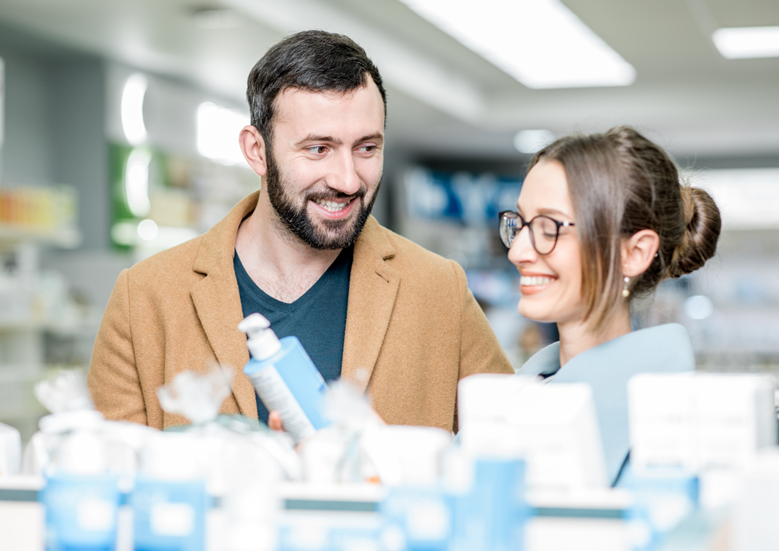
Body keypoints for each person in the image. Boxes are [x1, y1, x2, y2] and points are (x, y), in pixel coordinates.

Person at [87, 30, 512, 432]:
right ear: (258, 151)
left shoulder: (439, 290)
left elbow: (522, 446)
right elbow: (105, 480)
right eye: (318, 149)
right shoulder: (145, 297)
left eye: (367, 148)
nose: (347, 180)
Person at [499, 126, 721, 485]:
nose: (518, 251)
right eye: (521, 224)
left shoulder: (670, 430)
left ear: (633, 254)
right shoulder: (527, 389)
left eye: (549, 226)